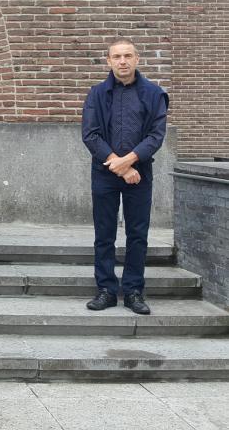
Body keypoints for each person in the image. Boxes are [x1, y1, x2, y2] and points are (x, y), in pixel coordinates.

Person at [82, 38, 168, 315]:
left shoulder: (154, 94)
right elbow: (90, 134)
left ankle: (133, 291)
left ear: (137, 59)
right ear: (108, 61)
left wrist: (130, 161)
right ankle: (106, 290)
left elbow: (156, 135)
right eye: (117, 56)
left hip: (139, 174)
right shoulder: (96, 94)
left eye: (127, 55)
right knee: (104, 234)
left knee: (138, 234)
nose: (122, 61)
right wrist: (117, 165)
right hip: (104, 173)